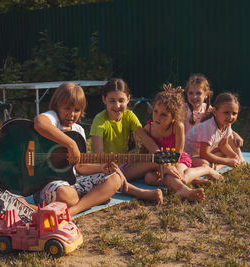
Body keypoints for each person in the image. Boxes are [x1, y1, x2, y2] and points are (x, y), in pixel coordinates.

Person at [34, 82, 163, 216]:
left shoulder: (78, 130)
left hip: (72, 181)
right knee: (65, 195)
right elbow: (39, 122)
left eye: (77, 110)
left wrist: (101, 168)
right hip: (47, 183)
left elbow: (80, 167)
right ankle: (94, 198)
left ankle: (74, 210)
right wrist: (71, 144)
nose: (71, 115)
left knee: (115, 179)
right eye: (67, 108)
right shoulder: (53, 118)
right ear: (56, 106)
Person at [89, 78, 180, 184]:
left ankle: (180, 186)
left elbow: (147, 140)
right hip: (104, 170)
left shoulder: (129, 116)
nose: (117, 105)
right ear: (104, 100)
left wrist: (162, 159)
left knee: (158, 161)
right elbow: (100, 157)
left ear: (128, 99)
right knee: (158, 164)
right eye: (112, 101)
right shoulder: (99, 120)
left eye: (121, 100)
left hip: (124, 167)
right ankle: (177, 180)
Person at [143, 85, 207, 202]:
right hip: (159, 163)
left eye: (163, 115)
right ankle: (191, 181)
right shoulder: (149, 128)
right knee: (149, 178)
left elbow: (178, 153)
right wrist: (162, 168)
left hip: (177, 159)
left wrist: (169, 167)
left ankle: (204, 170)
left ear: (173, 117)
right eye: (156, 111)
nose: (157, 117)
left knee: (180, 176)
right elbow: (144, 151)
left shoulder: (177, 126)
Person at [185, 92, 245, 171]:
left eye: (234, 113)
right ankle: (215, 167)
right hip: (189, 156)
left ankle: (215, 166)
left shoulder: (226, 125)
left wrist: (234, 156)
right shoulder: (209, 127)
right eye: (226, 113)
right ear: (215, 112)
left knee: (223, 154)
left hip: (200, 154)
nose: (230, 117)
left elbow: (223, 144)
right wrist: (227, 161)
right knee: (205, 163)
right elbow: (204, 154)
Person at [184, 73, 243, 146]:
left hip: (207, 145)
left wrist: (235, 135)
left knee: (232, 140)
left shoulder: (208, 109)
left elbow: (223, 124)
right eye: (191, 93)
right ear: (187, 94)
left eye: (198, 93)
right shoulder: (184, 110)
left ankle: (238, 157)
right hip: (190, 148)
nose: (194, 96)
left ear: (206, 95)